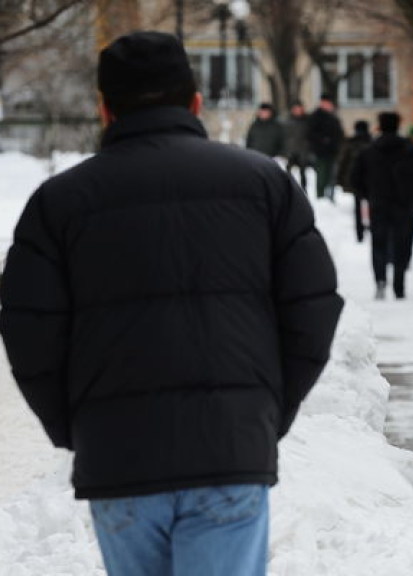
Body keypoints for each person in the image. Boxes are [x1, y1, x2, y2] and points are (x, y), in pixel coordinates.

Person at [0, 31, 343, 576]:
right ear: (196, 102)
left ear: (104, 107)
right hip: (230, 450)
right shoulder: (262, 185)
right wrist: (265, 410)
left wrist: (76, 425)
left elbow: (27, 331)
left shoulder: (58, 204)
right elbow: (314, 307)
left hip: (118, 457)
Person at [351, 111, 413, 300]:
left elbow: (355, 179)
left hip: (378, 205)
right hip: (404, 206)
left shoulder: (368, 151)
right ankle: (399, 286)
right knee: (402, 244)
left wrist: (367, 195)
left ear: (379, 126)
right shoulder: (411, 150)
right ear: (398, 125)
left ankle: (380, 281)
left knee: (378, 243)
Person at [337, 119, 373, 242]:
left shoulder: (350, 144)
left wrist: (340, 179)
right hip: (370, 181)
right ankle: (370, 228)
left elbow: (342, 162)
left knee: (358, 206)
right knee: (372, 205)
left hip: (355, 180)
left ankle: (360, 233)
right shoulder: (372, 143)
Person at [307, 93, 345, 201]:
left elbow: (339, 133)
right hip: (320, 152)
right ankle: (320, 197)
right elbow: (311, 134)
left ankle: (330, 197)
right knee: (322, 175)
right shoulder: (316, 117)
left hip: (332, 151)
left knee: (331, 177)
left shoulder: (333, 117)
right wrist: (323, 140)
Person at [283, 100, 311, 190]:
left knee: (303, 172)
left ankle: (304, 189)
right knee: (288, 171)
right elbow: (285, 136)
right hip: (291, 150)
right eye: (295, 109)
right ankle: (287, 188)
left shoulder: (307, 121)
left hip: (303, 151)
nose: (297, 111)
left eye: (299, 108)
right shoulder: (288, 121)